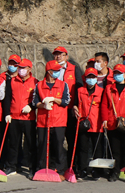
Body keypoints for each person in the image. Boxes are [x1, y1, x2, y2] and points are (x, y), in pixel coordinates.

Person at [33, 60, 71, 174]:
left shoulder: (63, 85)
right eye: (55, 70)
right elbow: (34, 102)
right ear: (49, 71)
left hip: (59, 121)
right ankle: (41, 169)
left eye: (59, 70)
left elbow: (66, 101)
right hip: (43, 122)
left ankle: (60, 170)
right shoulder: (39, 85)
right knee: (42, 146)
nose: (58, 72)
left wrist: (54, 99)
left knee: (59, 146)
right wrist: (43, 105)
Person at [3, 58, 38, 179]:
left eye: (23, 68)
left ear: (29, 69)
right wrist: (7, 113)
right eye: (19, 67)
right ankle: (12, 166)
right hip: (14, 117)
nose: (20, 70)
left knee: (31, 144)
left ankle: (33, 168)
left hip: (28, 118)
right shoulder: (11, 81)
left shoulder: (35, 82)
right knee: (13, 143)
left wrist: (31, 106)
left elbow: (37, 99)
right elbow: (7, 98)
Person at [52, 46, 84, 175]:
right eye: (56, 54)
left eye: (61, 54)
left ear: (67, 56)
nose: (58, 56)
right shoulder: (51, 69)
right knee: (57, 138)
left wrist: (76, 104)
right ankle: (56, 165)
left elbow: (79, 88)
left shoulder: (74, 69)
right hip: (56, 109)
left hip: (70, 109)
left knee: (71, 138)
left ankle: (72, 165)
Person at [74, 67, 104, 180]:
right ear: (85, 78)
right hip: (83, 123)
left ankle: (97, 171)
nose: (91, 79)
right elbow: (75, 103)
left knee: (97, 149)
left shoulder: (101, 91)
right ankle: (82, 169)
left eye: (93, 77)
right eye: (89, 77)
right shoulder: (80, 90)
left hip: (97, 123)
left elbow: (104, 107)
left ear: (96, 78)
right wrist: (75, 108)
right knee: (83, 148)